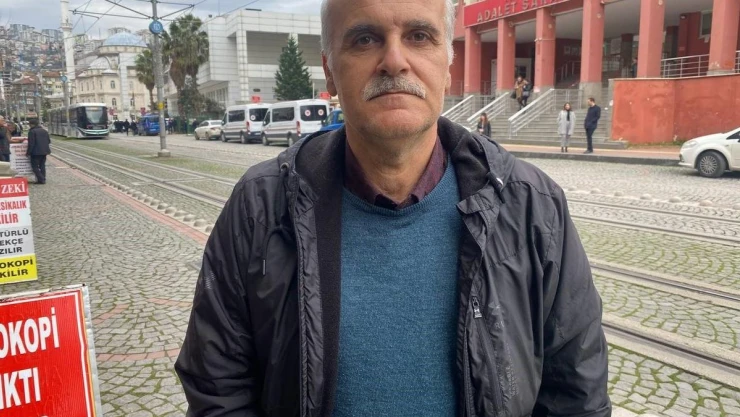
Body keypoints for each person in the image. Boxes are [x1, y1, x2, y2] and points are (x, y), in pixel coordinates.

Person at [175, 0, 611, 416]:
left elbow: (576, 394)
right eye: (365, 39)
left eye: (419, 36)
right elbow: (218, 388)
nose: (395, 61)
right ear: (330, 70)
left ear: (448, 63)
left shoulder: (533, 206)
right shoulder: (260, 207)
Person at [26, 119, 51, 184]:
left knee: (34, 166)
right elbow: (48, 141)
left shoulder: (32, 131)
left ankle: (41, 179)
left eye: (29, 124)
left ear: (31, 124)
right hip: (44, 151)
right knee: (42, 165)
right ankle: (42, 179)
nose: (29, 125)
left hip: (35, 152)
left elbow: (31, 143)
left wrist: (28, 152)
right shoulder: (44, 131)